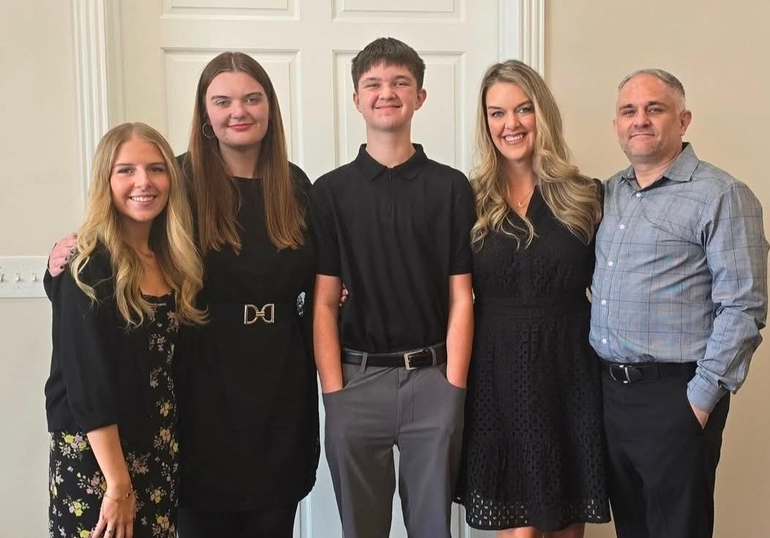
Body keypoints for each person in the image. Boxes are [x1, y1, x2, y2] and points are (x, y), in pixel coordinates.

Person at [47, 52, 319, 538]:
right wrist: (61, 260)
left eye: (252, 98)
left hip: (280, 382)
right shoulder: (175, 179)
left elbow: (320, 275)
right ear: (204, 113)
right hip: (200, 386)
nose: (239, 110)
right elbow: (116, 243)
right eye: (223, 100)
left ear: (271, 108)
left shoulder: (295, 185)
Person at [591, 68, 768, 538]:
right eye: (629, 111)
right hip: (610, 395)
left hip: (676, 395)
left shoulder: (723, 195)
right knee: (632, 528)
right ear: (616, 126)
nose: (640, 120)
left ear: (683, 119)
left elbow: (745, 307)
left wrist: (701, 399)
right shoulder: (608, 194)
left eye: (655, 109)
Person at [310, 37, 475, 538]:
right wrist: (333, 392)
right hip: (356, 380)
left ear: (420, 96)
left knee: (432, 529)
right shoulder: (330, 191)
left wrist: (455, 387)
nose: (387, 92)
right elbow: (322, 300)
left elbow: (462, 295)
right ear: (356, 98)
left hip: (433, 380)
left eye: (401, 82)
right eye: (373, 84)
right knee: (362, 529)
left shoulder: (450, 187)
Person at [454, 60, 610, 538]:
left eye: (523, 110)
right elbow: (439, 284)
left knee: (566, 523)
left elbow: (618, 283)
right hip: (496, 373)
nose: (511, 124)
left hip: (570, 372)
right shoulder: (467, 198)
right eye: (497, 113)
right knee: (518, 530)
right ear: (485, 123)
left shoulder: (587, 196)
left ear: (543, 115)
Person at [45, 122, 207, 538]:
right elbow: (87, 385)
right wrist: (117, 485)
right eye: (126, 170)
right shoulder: (86, 265)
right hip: (99, 464)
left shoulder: (173, 260)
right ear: (105, 180)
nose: (144, 182)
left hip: (159, 452)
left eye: (156, 169)